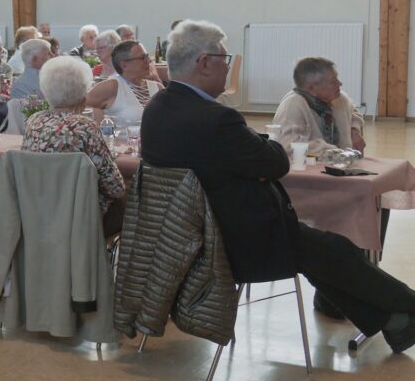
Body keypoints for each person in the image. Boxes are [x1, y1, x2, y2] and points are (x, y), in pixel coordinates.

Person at [141, 19, 415, 354]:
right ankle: (409, 309)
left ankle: (397, 322)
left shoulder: (157, 109)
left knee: (322, 252)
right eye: (225, 61)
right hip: (237, 241)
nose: (228, 70)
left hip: (184, 237)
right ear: (204, 64)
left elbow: (255, 157)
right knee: (334, 249)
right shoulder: (216, 118)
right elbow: (275, 161)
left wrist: (255, 151)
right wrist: (257, 150)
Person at [272, 57, 365, 154]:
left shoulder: (340, 98)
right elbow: (286, 144)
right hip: (308, 165)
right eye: (333, 81)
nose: (340, 83)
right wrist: (331, 150)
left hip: (343, 162)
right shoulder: (293, 105)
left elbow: (353, 113)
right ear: (312, 89)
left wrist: (354, 131)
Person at [85, 40, 163, 127]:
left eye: (147, 56)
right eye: (142, 58)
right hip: (122, 139)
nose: (148, 61)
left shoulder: (157, 87)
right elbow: (80, 107)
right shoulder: (112, 86)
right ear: (124, 65)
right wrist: (101, 120)